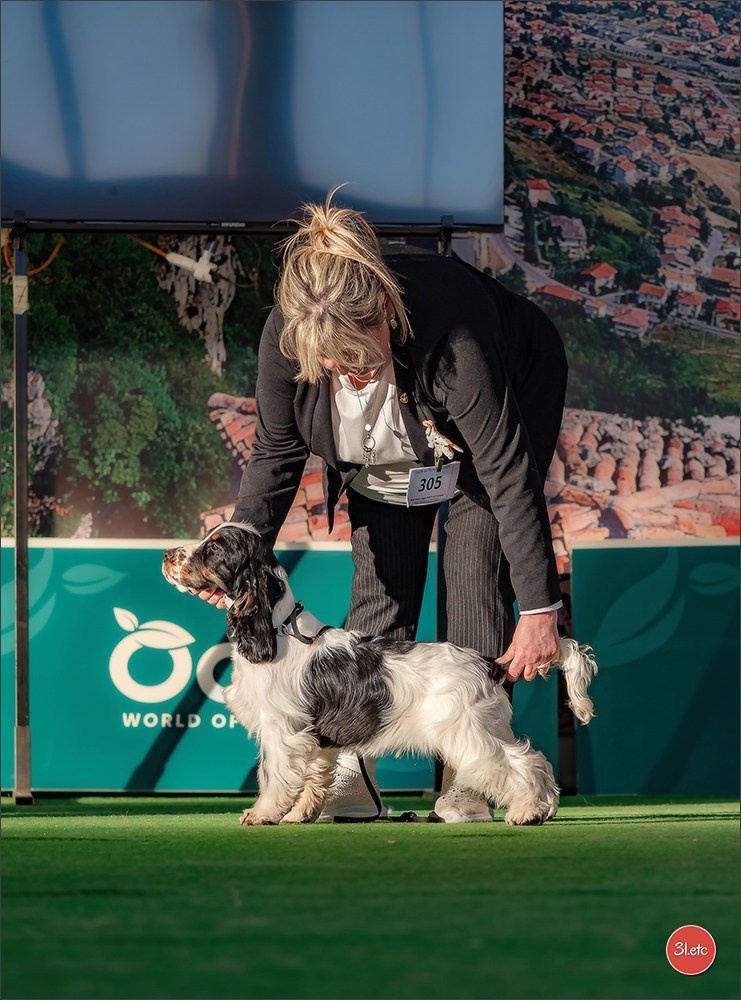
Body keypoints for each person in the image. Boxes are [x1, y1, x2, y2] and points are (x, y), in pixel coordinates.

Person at [196, 189, 568, 822]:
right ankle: (351, 773)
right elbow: (276, 456)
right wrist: (236, 557)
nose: (351, 373)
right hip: (384, 457)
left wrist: (538, 608)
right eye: (334, 365)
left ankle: (468, 778)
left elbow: (507, 475)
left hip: (493, 416)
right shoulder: (287, 341)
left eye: (361, 359)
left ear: (389, 314)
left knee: (474, 566)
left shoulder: (457, 343)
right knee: (381, 579)